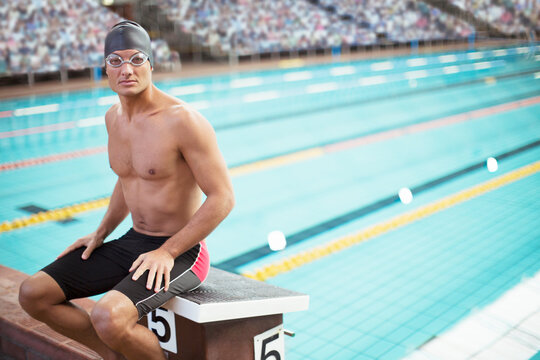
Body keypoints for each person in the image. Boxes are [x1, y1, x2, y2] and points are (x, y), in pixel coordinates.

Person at [18, 21, 235, 360]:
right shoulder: (113, 118)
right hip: (133, 241)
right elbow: (127, 177)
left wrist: (167, 251)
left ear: (151, 64)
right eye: (116, 61)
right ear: (104, 69)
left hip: (182, 252)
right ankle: (115, 356)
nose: (127, 69)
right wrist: (101, 232)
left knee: (109, 316)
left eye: (136, 59)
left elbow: (223, 198)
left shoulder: (183, 120)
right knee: (33, 293)